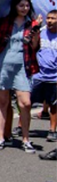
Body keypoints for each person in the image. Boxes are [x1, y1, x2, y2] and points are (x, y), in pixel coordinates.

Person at [0, 0, 38, 153]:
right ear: (15, 6)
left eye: (27, 5)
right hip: (3, 65)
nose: (24, 8)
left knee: (26, 103)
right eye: (21, 5)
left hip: (22, 66)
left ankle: (26, 139)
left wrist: (35, 34)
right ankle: (0, 137)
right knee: (2, 102)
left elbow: (35, 47)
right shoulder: (5, 22)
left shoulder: (32, 24)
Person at [32, 10, 57, 142]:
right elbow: (34, 47)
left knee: (54, 104)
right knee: (27, 102)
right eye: (48, 18)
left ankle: (52, 130)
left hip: (54, 77)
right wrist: (35, 32)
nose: (50, 21)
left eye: (53, 18)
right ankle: (21, 127)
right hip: (38, 75)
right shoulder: (41, 32)